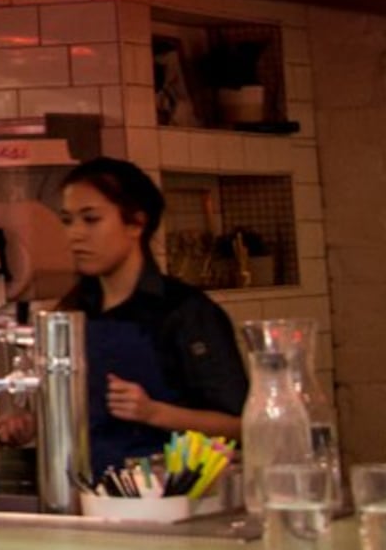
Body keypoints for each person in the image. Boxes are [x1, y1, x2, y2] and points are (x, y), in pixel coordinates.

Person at [48, 157, 248, 467]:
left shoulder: (186, 312)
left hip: (165, 488)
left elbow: (240, 426)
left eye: (91, 219)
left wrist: (154, 412)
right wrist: (29, 423)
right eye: (67, 220)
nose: (75, 234)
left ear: (136, 223)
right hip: (80, 485)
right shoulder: (72, 310)